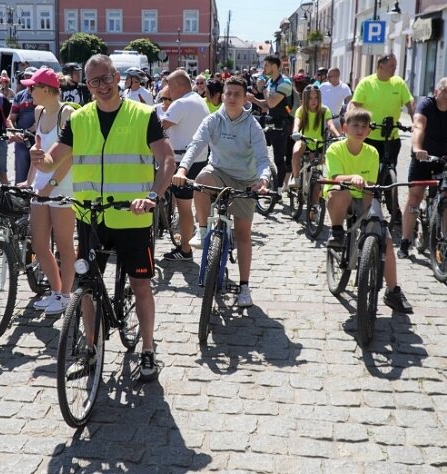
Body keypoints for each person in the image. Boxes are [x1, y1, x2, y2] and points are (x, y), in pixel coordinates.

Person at [30, 53, 175, 382]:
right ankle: (91, 350)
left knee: (140, 285)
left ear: (117, 77)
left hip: (132, 217)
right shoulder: (79, 119)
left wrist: (153, 195)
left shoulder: (142, 114)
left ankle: (148, 349)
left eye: (107, 77)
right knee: (86, 286)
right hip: (90, 216)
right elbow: (55, 160)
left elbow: (166, 159)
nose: (102, 85)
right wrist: (40, 160)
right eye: (94, 80)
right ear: (87, 84)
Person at [172, 76, 272, 307]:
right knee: (201, 179)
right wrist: (183, 169)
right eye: (228, 93)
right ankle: (204, 230)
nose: (232, 98)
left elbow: (262, 158)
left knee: (243, 234)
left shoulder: (252, 126)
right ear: (222, 95)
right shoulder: (213, 120)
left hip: (245, 180)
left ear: (245, 97)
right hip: (217, 172)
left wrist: (263, 180)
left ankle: (245, 287)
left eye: (237, 94)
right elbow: (195, 144)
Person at [325, 107, 413, 313]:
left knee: (386, 239)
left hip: (364, 196)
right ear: (345, 128)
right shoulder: (335, 149)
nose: (360, 130)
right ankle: (336, 230)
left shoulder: (372, 152)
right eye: (355, 125)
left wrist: (370, 219)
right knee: (341, 191)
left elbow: (370, 188)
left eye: (364, 126)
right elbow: (335, 177)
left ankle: (393, 291)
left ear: (369, 131)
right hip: (340, 198)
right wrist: (351, 178)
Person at [18, 68, 77, 315]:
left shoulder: (68, 113)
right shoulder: (39, 111)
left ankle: (66, 296)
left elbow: (72, 156)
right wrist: (28, 180)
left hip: (62, 186)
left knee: (64, 245)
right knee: (40, 243)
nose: (28, 91)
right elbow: (38, 150)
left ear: (46, 89)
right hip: (40, 186)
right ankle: (56, 291)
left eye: (32, 87)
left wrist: (49, 186)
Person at [398, 76, 447, 259]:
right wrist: (417, 148)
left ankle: (444, 241)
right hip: (423, 156)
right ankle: (405, 240)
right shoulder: (426, 105)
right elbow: (418, 126)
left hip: (444, 157)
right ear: (437, 91)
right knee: (415, 196)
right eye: (444, 90)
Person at [350, 53, 415, 221]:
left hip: (391, 136)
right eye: (392, 66)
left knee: (390, 172)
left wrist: (416, 121)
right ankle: (363, 204)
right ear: (380, 66)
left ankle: (394, 208)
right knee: (368, 173)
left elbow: (410, 103)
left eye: (395, 65)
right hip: (370, 137)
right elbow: (355, 104)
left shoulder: (398, 83)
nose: (395, 69)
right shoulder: (366, 83)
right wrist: (357, 121)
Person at [158, 70, 210, 261]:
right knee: (188, 205)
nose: (168, 92)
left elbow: (159, 126)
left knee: (184, 208)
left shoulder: (181, 103)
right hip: (200, 159)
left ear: (179, 85)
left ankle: (185, 249)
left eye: (170, 87)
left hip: (183, 162)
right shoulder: (197, 99)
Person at [245, 55, 293, 191]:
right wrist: (253, 99)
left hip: (281, 125)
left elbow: (272, 102)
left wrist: (263, 88)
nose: (264, 68)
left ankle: (277, 189)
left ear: (274, 66)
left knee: (279, 159)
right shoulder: (271, 82)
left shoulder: (285, 83)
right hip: (270, 120)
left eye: (266, 65)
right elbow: (267, 106)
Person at [290, 85, 341, 189]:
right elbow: (297, 123)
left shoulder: (324, 110)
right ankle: (296, 179)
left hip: (319, 142)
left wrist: (338, 136)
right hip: (304, 139)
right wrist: (295, 131)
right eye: (310, 98)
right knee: (295, 152)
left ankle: (312, 190)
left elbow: (330, 125)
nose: (313, 101)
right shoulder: (301, 110)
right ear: (305, 99)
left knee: (316, 167)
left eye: (316, 98)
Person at [9, 67, 38, 184]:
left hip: (38, 138)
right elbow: (11, 118)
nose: (27, 78)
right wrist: (15, 133)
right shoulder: (19, 96)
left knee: (37, 173)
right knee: (21, 173)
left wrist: (32, 129)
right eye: (25, 76)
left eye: (30, 76)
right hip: (22, 140)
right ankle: (19, 200)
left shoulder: (41, 94)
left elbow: (45, 115)